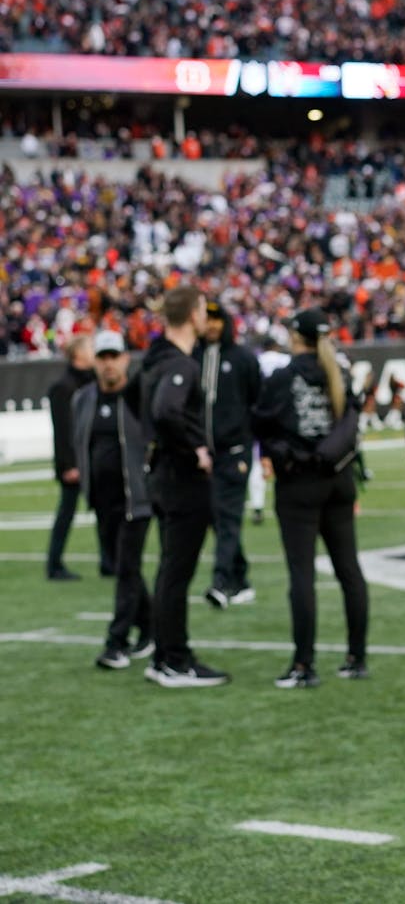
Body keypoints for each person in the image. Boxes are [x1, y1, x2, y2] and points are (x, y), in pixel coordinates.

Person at [253, 309, 369, 688]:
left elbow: (262, 425)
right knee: (348, 570)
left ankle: (304, 665)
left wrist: (286, 455)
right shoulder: (338, 373)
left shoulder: (283, 377)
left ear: (294, 336)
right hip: (338, 481)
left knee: (301, 575)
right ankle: (357, 657)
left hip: (299, 484)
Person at [137, 285, 229, 687]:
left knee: (170, 570)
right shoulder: (180, 365)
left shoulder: (155, 360)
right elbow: (165, 411)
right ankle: (174, 658)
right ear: (194, 315)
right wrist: (195, 450)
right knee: (176, 571)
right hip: (181, 479)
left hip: (163, 476)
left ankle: (165, 655)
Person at [72, 331, 153, 669]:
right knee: (124, 569)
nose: (108, 364)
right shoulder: (83, 399)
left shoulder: (139, 396)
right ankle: (151, 628)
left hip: (136, 498)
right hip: (102, 501)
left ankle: (116, 642)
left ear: (124, 359)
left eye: (113, 357)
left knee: (126, 570)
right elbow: (80, 444)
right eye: (102, 357)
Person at [196, 301, 262, 607]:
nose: (211, 326)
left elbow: (257, 403)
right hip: (201, 455)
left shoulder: (242, 359)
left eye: (216, 320)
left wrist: (253, 444)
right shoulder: (193, 358)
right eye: (206, 319)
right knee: (213, 516)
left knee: (228, 517)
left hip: (234, 451)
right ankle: (241, 577)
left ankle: (221, 583)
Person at [45, 334, 95, 581]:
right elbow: (62, 431)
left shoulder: (93, 383)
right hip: (74, 464)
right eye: (89, 348)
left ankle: (109, 561)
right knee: (66, 512)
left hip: (93, 459)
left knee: (106, 510)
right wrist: (69, 465)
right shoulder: (63, 387)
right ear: (78, 355)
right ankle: (54, 564)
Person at [248, 333, 292, 525]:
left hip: (261, 415)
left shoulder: (255, 361)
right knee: (289, 459)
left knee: (258, 462)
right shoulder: (286, 360)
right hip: (284, 417)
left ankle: (257, 506)